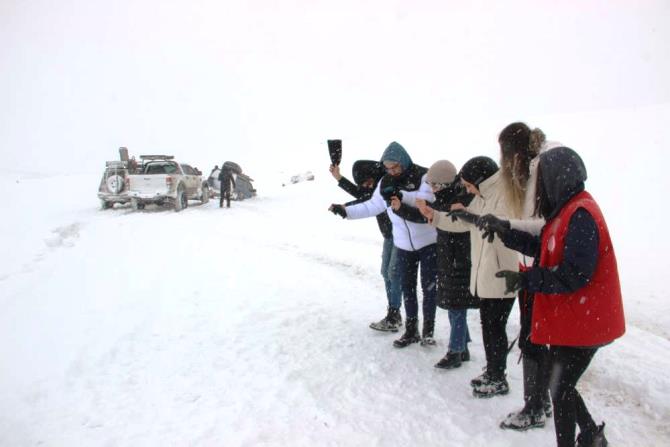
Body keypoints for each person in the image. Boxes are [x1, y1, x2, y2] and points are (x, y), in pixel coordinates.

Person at [491, 146, 625, 447]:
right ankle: (591, 436)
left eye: (542, 180)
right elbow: (546, 246)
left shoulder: (581, 215)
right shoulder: (568, 208)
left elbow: (575, 274)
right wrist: (505, 231)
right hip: (580, 319)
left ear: (555, 180)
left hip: (589, 321)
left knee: (560, 386)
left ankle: (582, 439)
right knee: (559, 381)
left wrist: (526, 279)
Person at [480, 122, 561, 430]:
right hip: (531, 266)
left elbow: (543, 226)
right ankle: (541, 401)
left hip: (540, 267)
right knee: (535, 338)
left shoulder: (539, 170)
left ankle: (536, 406)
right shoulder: (529, 172)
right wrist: (506, 225)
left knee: (534, 339)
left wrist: (508, 227)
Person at [418, 156, 518, 397]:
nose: (467, 189)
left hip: (499, 271)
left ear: (480, 181)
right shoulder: (483, 197)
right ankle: (493, 372)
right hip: (484, 270)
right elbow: (466, 224)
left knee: (494, 327)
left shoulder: (501, 197)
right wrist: (437, 215)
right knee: (490, 326)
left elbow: (500, 229)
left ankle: (497, 377)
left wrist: (465, 215)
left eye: (469, 184)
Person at [330, 142, 438, 348]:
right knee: (408, 288)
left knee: (428, 288)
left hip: (428, 243)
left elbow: (426, 203)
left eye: (395, 167)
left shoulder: (424, 176)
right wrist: (347, 212)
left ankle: (428, 332)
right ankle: (411, 330)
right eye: (388, 168)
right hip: (403, 244)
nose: (392, 171)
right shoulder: (385, 181)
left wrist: (402, 196)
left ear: (404, 161)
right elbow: (373, 204)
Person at [329, 160, 403, 331]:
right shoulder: (374, 185)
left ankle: (394, 314)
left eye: (368, 182)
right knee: (386, 272)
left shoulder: (386, 183)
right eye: (364, 184)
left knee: (393, 273)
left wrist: (345, 208)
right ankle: (394, 313)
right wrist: (339, 178)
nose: (367, 186)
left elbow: (367, 201)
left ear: (373, 176)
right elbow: (362, 195)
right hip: (389, 236)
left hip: (401, 236)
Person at [417, 160, 477, 369]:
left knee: (456, 304)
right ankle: (462, 346)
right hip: (450, 255)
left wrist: (431, 212)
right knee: (455, 302)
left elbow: (456, 221)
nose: (431, 189)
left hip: (459, 258)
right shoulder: (445, 197)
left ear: (445, 184)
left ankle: (456, 350)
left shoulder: (460, 199)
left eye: (435, 185)